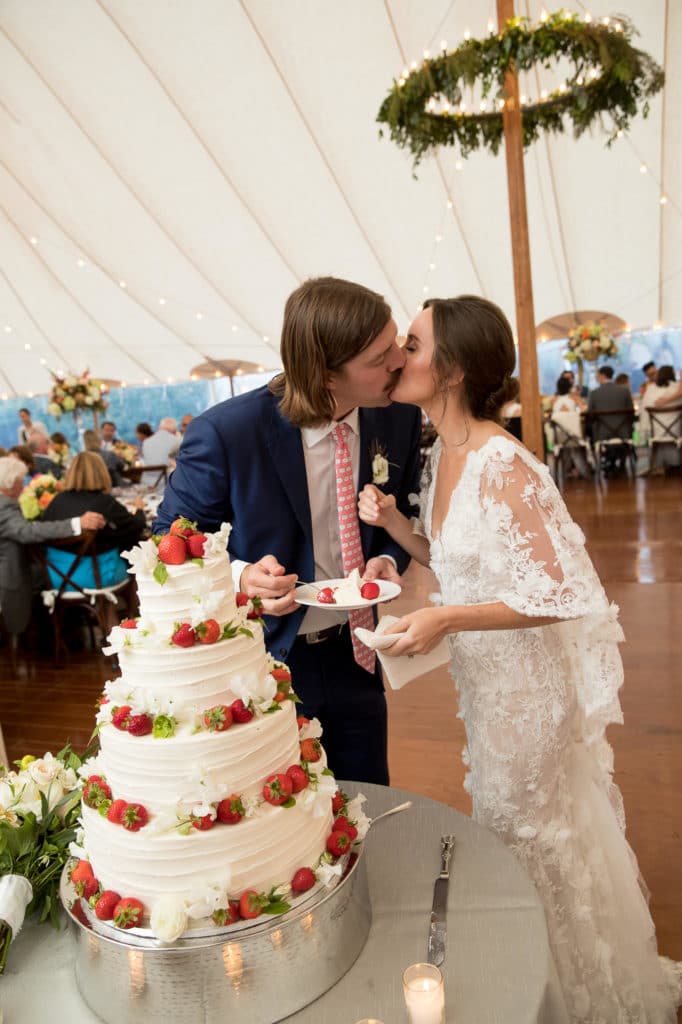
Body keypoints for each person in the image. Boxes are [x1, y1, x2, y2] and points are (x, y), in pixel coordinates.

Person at [357, 295, 681, 1021]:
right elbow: (455, 560)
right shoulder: (443, 454)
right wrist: (397, 528)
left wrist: (446, 617)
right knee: (517, 834)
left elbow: (564, 591)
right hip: (488, 689)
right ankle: (549, 981)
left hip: (529, 694)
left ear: (453, 370)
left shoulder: (503, 463)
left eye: (413, 344)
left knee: (530, 838)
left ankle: (572, 997)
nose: (399, 356)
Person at [155, 276, 422, 784]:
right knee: (287, 809)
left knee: (368, 797)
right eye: (379, 357)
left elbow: (404, 504)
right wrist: (240, 576)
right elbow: (167, 537)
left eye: (396, 343)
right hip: (267, 658)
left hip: (358, 649)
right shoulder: (228, 432)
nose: (399, 361)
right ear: (326, 375)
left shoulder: (398, 416)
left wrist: (389, 556)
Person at [0, 456, 105, 636]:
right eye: (21, 482)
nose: (23, 487)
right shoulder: (4, 505)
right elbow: (25, 531)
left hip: (17, 567)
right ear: (12, 483)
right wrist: (76, 523)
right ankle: (64, 632)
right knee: (54, 573)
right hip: (9, 579)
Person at [42, 452, 146, 593]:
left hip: (56, 576)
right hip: (96, 577)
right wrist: (139, 509)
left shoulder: (56, 501)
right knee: (134, 551)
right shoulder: (105, 503)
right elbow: (136, 526)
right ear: (102, 473)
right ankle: (136, 602)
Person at [141, 417, 180, 491]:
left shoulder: (146, 442)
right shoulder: (177, 441)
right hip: (166, 484)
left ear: (159, 427)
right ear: (174, 430)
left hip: (146, 483)